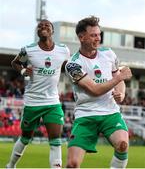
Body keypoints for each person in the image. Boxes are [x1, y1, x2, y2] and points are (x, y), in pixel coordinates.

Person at [65, 16, 132, 168]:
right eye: (93, 35)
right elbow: (94, 90)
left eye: (99, 34)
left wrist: (121, 93)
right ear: (81, 37)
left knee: (122, 144)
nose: (98, 38)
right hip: (86, 115)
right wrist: (119, 78)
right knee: (72, 164)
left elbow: (118, 80)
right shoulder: (72, 64)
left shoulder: (109, 54)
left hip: (110, 112)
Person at [6, 19, 70, 168]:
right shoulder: (28, 50)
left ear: (52, 31)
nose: (43, 26)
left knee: (56, 140)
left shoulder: (63, 50)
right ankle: (11, 166)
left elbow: (69, 66)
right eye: (40, 25)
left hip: (53, 103)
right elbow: (15, 63)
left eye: (47, 25)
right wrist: (22, 70)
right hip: (32, 102)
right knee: (25, 138)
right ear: (37, 32)